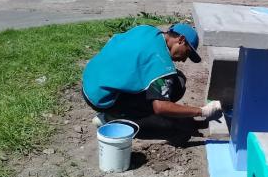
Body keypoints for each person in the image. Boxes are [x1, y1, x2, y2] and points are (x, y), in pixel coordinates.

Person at [81, 23, 222, 140]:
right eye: (187, 53)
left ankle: (126, 110)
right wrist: (202, 111)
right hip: (104, 100)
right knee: (175, 128)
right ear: (181, 40)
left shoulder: (146, 30)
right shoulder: (161, 64)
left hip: (90, 82)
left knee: (173, 80)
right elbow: (160, 107)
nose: (184, 59)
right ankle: (113, 118)